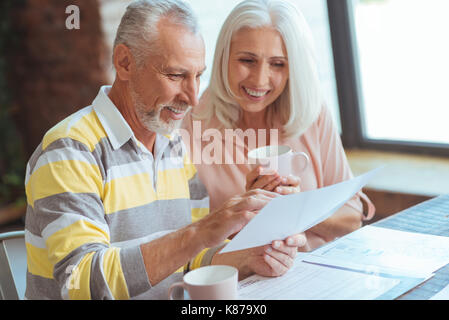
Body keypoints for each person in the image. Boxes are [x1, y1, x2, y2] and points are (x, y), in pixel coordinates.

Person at [23, 0, 306, 300]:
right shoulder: (69, 151)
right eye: (175, 76)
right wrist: (201, 232)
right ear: (125, 63)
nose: (193, 98)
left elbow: (190, 261)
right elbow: (81, 283)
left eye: (198, 76)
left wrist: (251, 259)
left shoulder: (173, 145)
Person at [183, 0, 375, 251]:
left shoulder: (311, 112)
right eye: (247, 60)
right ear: (223, 58)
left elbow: (351, 218)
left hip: (311, 274)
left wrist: (295, 209)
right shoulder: (190, 121)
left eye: (277, 64)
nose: (260, 80)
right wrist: (248, 209)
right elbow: (183, 234)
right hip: (237, 278)